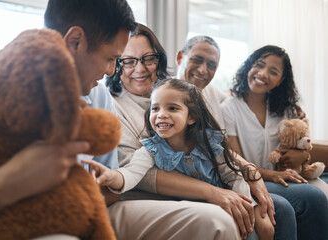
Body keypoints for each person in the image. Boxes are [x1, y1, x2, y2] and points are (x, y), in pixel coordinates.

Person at [0, 0, 136, 239]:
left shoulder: (97, 95)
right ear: (75, 40)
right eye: (110, 58)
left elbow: (110, 188)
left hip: (84, 212)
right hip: (0, 225)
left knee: (204, 219)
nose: (111, 71)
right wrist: (6, 187)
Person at [106, 23, 271, 240]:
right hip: (163, 197)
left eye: (148, 59)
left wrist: (252, 172)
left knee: (283, 209)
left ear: (158, 59)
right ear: (117, 63)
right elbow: (134, 171)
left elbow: (219, 150)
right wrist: (214, 193)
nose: (140, 68)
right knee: (243, 223)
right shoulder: (112, 105)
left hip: (214, 182)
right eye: (128, 61)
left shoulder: (175, 93)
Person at [88, 78, 275, 240]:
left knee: (265, 228)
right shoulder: (150, 149)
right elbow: (132, 173)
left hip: (232, 195)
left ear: (191, 117)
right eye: (155, 108)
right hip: (195, 207)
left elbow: (233, 175)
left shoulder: (208, 143)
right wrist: (113, 177)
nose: (161, 114)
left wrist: (243, 205)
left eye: (172, 108)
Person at [220, 45, 328, 240]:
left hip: (284, 176)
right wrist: (272, 174)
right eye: (259, 65)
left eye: (273, 71)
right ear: (249, 66)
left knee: (323, 193)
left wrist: (302, 155)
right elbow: (235, 160)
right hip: (251, 180)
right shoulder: (229, 108)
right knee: (313, 197)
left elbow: (301, 145)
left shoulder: (285, 109)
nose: (262, 74)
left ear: (281, 80)